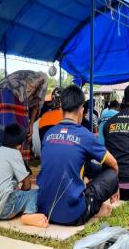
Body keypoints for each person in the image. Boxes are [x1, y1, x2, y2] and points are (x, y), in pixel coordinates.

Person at [37, 85, 119, 226]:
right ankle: (93, 208)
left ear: (61, 109)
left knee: (85, 165)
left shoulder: (48, 134)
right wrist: (115, 187)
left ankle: (91, 204)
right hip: (72, 216)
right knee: (111, 173)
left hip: (44, 211)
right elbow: (114, 164)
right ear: (81, 110)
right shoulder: (85, 135)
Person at [0, 124, 48, 227]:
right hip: (2, 210)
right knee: (36, 193)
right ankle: (29, 214)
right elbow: (27, 186)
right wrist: (22, 193)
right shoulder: (14, 153)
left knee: (14, 192)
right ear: (20, 145)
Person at [0, 70, 48, 164]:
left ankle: (2, 161)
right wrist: (31, 124)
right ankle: (21, 163)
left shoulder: (29, 76)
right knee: (23, 129)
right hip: (15, 90)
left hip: (2, 89)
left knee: (5, 127)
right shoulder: (44, 79)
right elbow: (38, 105)